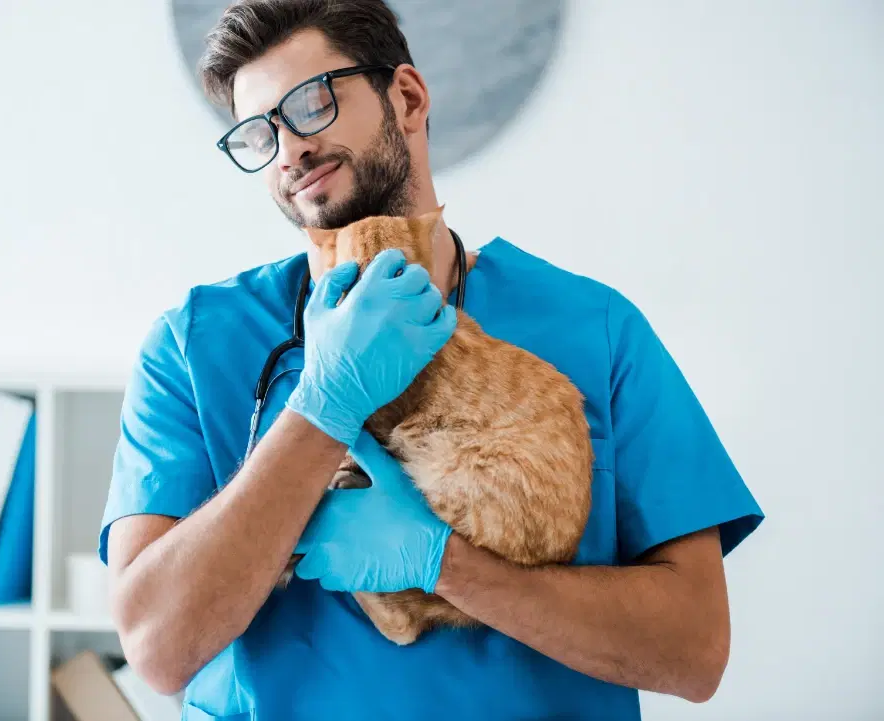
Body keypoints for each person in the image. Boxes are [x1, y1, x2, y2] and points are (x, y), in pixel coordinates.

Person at [98, 1, 765, 719]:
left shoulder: (593, 328)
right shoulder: (197, 344)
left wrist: (443, 563)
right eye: (261, 132)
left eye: (313, 102)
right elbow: (159, 647)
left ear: (408, 98)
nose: (289, 148)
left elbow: (694, 651)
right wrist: (323, 407)